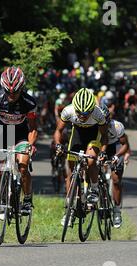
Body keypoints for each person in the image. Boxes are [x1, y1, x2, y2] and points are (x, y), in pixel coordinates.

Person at [0, 66, 38, 216]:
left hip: (21, 134)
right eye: (8, 92)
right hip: (2, 133)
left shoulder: (29, 103)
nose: (12, 96)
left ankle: (27, 199)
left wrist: (31, 145)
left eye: (16, 92)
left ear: (22, 88)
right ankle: (3, 199)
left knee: (23, 167)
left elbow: (33, 128)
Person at [53, 88, 108, 226]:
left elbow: (105, 136)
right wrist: (58, 145)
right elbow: (58, 131)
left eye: (86, 113)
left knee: (90, 160)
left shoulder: (98, 114)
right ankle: (69, 209)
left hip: (93, 135)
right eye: (80, 113)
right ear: (75, 108)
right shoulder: (68, 111)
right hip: (77, 135)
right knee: (70, 173)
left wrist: (102, 151)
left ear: (92, 109)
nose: (83, 116)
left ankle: (94, 188)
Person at [98, 104, 130, 228]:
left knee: (116, 180)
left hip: (115, 148)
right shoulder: (92, 126)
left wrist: (117, 156)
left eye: (105, 120)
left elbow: (125, 145)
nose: (103, 123)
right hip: (99, 146)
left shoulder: (117, 126)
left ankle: (117, 211)